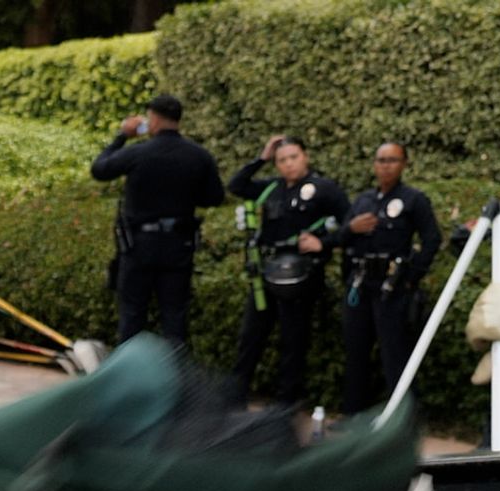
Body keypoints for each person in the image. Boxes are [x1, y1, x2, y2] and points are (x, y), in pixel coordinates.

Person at [89, 93, 224, 345]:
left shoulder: (139, 152)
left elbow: (100, 169)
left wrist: (122, 136)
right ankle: (175, 368)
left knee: (132, 314)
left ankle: (130, 368)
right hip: (179, 244)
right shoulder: (199, 155)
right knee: (175, 315)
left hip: (139, 244)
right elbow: (214, 197)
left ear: (153, 119)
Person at [227, 135, 350, 407]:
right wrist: (262, 157)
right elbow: (236, 185)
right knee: (251, 336)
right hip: (267, 272)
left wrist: (324, 243)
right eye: (282, 160)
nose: (289, 164)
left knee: (293, 340)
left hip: (301, 275)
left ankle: (286, 403)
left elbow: (350, 225)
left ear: (305, 156)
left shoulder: (324, 188)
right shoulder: (272, 187)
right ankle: (235, 397)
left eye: (294, 157)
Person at [329, 142, 440, 414]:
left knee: (395, 355)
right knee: (356, 352)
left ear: (404, 164)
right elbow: (339, 238)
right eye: (381, 160)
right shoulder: (363, 200)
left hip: (392, 286)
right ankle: (354, 416)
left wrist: (412, 277)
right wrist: (351, 228)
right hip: (360, 284)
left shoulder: (414, 199)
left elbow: (432, 239)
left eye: (392, 160)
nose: (385, 166)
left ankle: (400, 420)